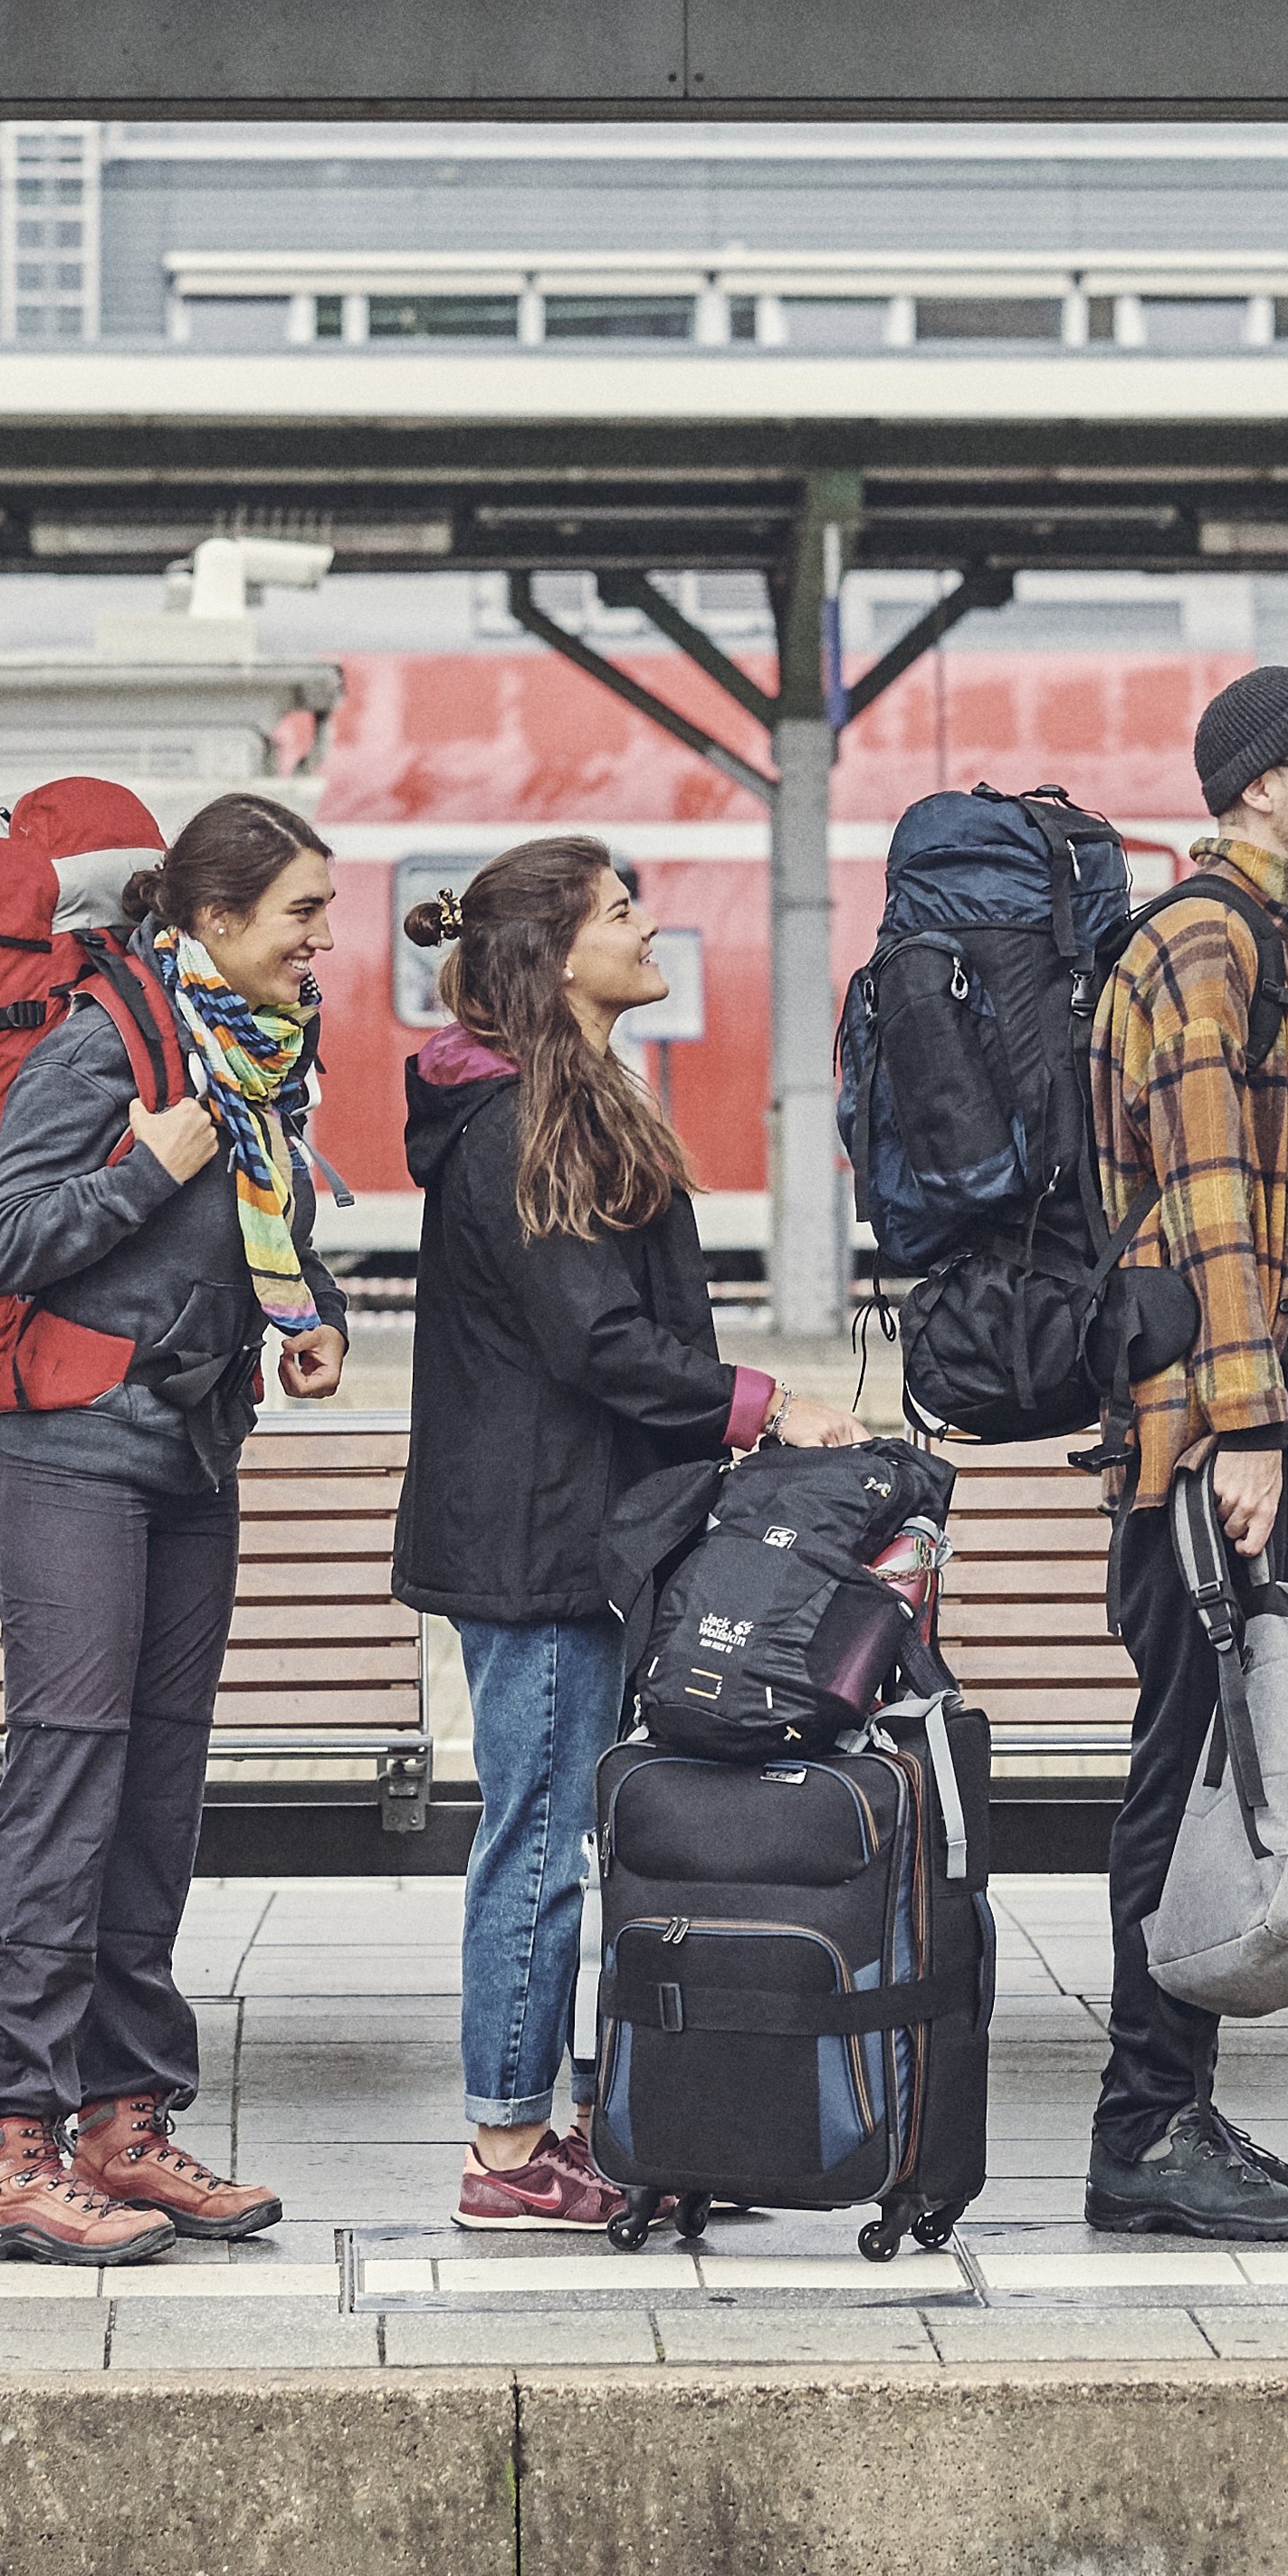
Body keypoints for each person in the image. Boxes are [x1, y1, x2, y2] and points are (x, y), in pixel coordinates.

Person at [394, 839, 869, 2231]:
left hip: (583, 1530)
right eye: (619, 913)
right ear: (555, 957)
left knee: (564, 1836)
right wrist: (762, 1406)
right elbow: (592, 1333)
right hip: (537, 1543)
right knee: (538, 1841)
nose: (648, 927)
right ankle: (504, 2151)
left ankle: (585, 2120)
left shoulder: (568, 1098)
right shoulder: (512, 1122)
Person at [0, 790, 351, 2265]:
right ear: (214, 923)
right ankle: (9, 2146)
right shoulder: (96, 1047)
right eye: (303, 911)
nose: (323, 937)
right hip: (75, 1458)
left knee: (157, 1792)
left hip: (191, 1451)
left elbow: (266, 1217)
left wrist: (313, 1318)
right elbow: (5, 1243)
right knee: (70, 1780)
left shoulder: (252, 1056)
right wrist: (145, 1166)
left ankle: (121, 2121)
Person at [1076, 666, 1288, 2244]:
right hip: (1199, 1435)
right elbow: (1209, 1195)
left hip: (1227, 1428)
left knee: (1206, 1775)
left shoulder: (1273, 939)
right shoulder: (1207, 943)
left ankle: (1173, 2113)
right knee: (1183, 1781)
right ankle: (1142, 2134)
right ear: (1256, 783)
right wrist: (1252, 1421)